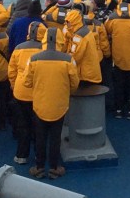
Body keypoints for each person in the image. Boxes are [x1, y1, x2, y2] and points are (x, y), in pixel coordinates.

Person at [23, 27, 80, 178]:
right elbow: (75, 83)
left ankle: (39, 166)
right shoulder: (68, 59)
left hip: (40, 103)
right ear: (60, 40)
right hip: (59, 104)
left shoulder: (34, 59)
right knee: (55, 137)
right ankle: (54, 167)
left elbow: (27, 82)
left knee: (40, 136)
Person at [7, 20, 45, 164]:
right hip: (39, 93)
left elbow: (11, 71)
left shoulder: (18, 48)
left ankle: (22, 155)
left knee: (23, 125)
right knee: (39, 126)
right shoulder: (45, 50)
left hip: (21, 92)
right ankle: (38, 155)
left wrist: (14, 85)